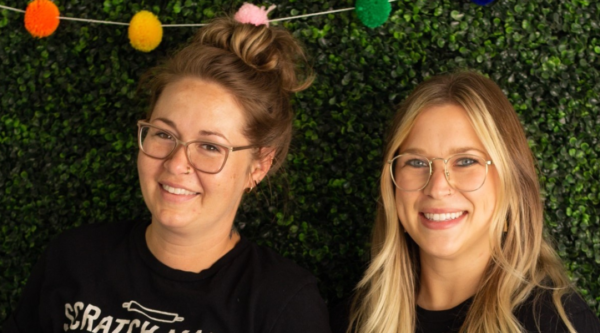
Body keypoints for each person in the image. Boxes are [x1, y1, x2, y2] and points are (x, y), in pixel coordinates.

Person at [4, 7, 332, 333]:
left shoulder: (281, 305)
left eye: (210, 146)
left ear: (259, 166)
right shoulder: (73, 258)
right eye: (164, 134)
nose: (176, 164)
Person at [332, 71, 600, 333]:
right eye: (415, 162)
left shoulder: (556, 323)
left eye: (465, 161)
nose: (437, 187)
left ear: (511, 179)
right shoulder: (353, 320)